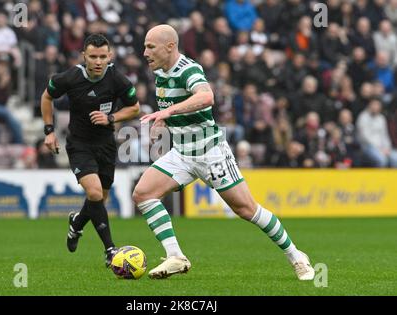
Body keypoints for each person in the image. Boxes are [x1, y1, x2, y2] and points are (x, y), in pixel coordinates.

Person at [132, 24, 315, 280]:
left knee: (247, 210)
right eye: (145, 47)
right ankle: (175, 256)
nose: (145, 53)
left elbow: (206, 97)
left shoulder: (189, 69)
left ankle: (296, 256)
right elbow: (174, 105)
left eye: (150, 46)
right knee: (143, 194)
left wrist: (168, 112)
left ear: (170, 46)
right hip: (183, 153)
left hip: (211, 153)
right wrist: (164, 120)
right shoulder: (161, 72)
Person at [41, 34, 140, 266]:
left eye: (102, 57)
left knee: (99, 199)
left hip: (106, 145)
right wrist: (49, 130)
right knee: (95, 194)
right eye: (93, 56)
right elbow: (47, 97)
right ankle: (111, 250)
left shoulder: (118, 80)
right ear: (83, 56)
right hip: (79, 144)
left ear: (110, 56)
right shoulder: (70, 77)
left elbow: (134, 108)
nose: (97, 61)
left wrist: (111, 117)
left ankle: (76, 224)